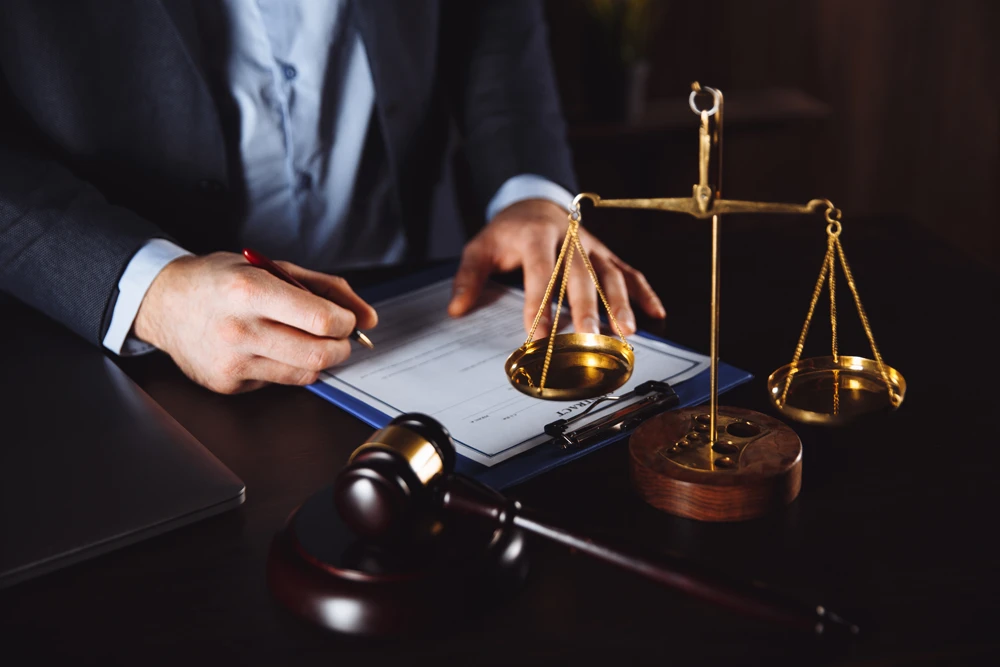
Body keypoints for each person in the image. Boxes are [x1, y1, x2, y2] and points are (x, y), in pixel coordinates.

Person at [0, 0, 665, 394]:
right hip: (136, 354)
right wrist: (153, 290)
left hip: (424, 291)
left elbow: (492, 17)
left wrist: (530, 189)